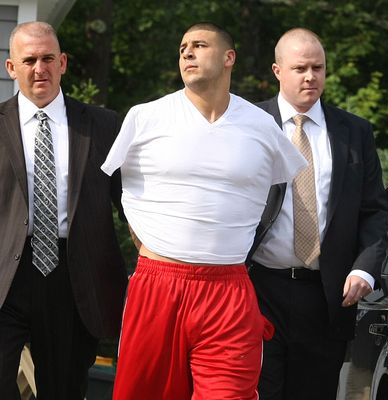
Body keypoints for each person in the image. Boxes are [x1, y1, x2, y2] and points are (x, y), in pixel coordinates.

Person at [101, 22, 306, 400]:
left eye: (199, 45)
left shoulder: (262, 126)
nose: (187, 53)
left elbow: (280, 199)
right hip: (156, 285)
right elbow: (116, 190)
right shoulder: (145, 117)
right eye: (182, 48)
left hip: (228, 290)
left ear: (229, 58)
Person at [248, 27, 388, 400]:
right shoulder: (247, 124)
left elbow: (375, 210)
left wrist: (364, 269)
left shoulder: (354, 132)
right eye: (300, 68)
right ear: (278, 71)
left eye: (318, 67)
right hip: (259, 288)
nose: (310, 77)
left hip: (328, 297)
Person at [0, 21, 127, 399]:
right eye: (29, 60)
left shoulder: (104, 125)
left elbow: (132, 204)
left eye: (48, 58)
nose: (40, 68)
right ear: (11, 67)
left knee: (64, 390)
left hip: (73, 280)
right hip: (6, 278)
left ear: (63, 62)